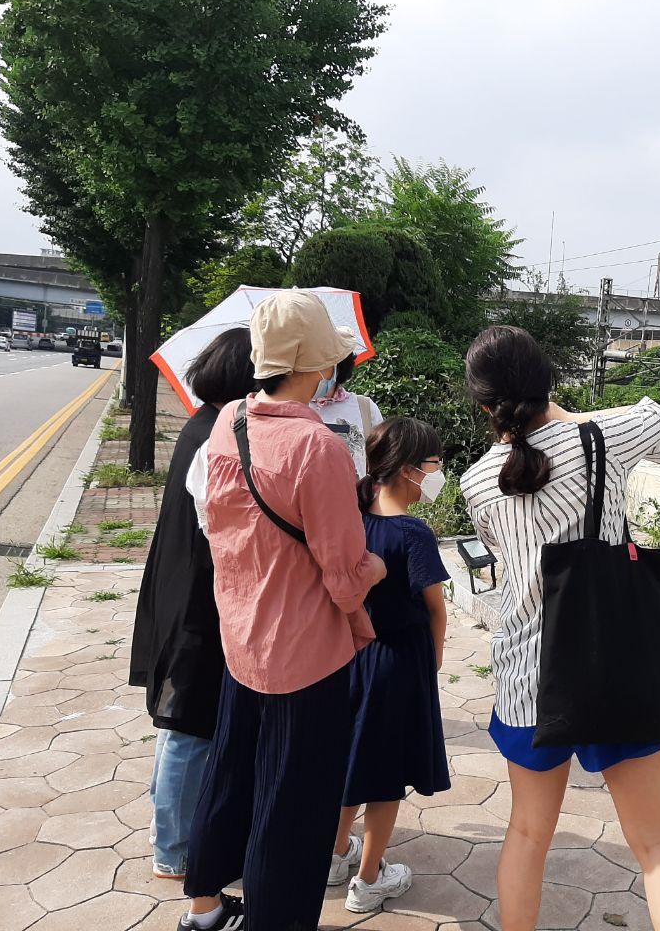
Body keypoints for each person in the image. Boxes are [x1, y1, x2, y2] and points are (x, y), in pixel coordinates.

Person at [460, 326, 660, 931]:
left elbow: (505, 557)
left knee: (526, 833)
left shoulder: (476, 482)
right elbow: (658, 417)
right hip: (612, 667)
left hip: (529, 678)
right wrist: (568, 414)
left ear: (484, 405)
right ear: (548, 381)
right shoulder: (600, 440)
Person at [176, 290, 387, 931]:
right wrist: (377, 571)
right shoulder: (316, 446)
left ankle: (204, 909)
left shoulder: (229, 420)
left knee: (231, 775)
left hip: (241, 635)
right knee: (292, 805)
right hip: (304, 653)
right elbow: (343, 571)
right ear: (315, 364)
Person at [129, 327, 256, 880]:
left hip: (181, 583)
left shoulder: (203, 423)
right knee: (189, 721)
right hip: (198, 595)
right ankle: (175, 849)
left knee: (181, 718)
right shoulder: (218, 436)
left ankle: (171, 825)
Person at [326, 416, 452, 911]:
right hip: (399, 661)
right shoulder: (413, 533)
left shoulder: (351, 519)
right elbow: (435, 608)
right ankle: (368, 879)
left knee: (352, 758)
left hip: (352, 655)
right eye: (433, 466)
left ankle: (335, 854)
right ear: (407, 470)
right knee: (387, 773)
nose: (437, 475)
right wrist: (434, 657)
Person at [311, 327, 383, 477]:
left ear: (339, 367)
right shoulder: (290, 408)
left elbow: (382, 464)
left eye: (321, 364)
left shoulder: (365, 408)